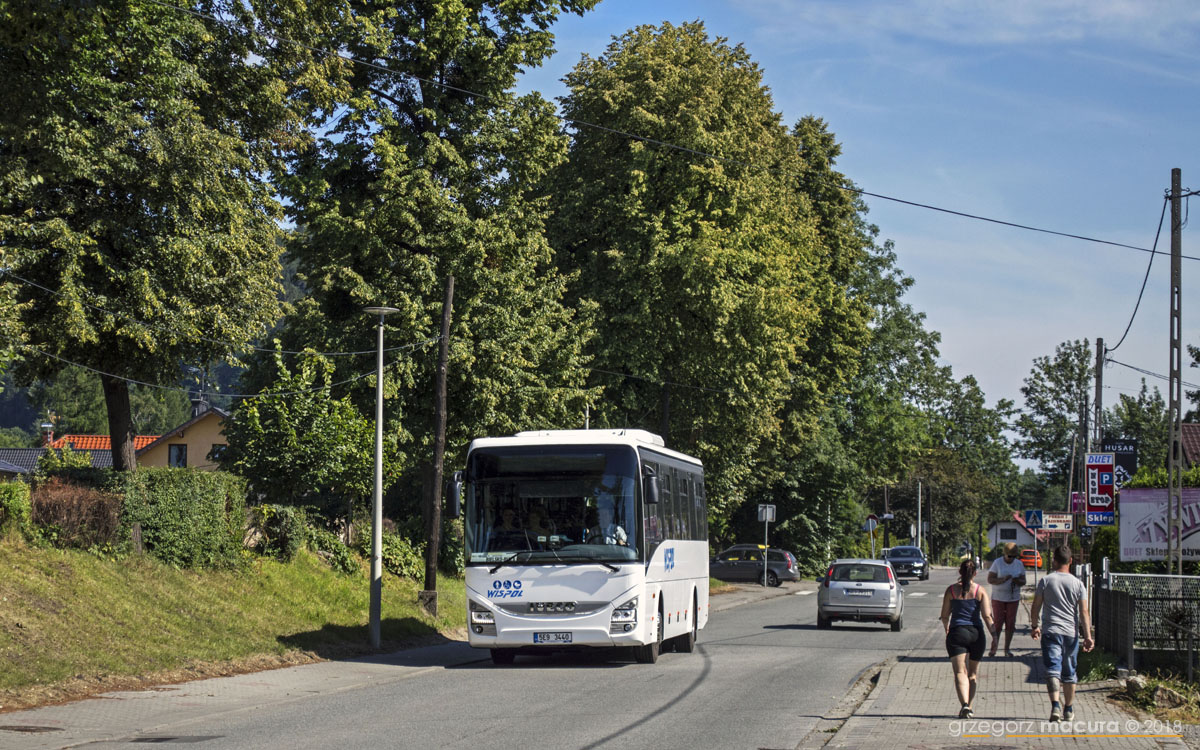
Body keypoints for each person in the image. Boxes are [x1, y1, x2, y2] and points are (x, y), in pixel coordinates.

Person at [1030, 544, 1094, 723]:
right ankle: (1069, 709)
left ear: (1054, 561)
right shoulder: (1078, 584)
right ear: (1071, 561)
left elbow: (1036, 606)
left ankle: (1055, 706)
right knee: (1069, 672)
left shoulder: (1046, 580)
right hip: (1070, 634)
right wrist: (1087, 636)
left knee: (1052, 670)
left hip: (1051, 631)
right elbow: (1083, 612)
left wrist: (1035, 626)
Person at [939, 559, 997, 719]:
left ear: (960, 572)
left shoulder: (951, 590)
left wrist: (947, 628)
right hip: (976, 634)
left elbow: (945, 615)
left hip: (957, 633)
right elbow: (987, 616)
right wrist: (995, 636)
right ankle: (969, 706)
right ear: (975, 573)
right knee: (972, 674)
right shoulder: (980, 591)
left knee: (959, 672)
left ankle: (964, 704)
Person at [987, 542, 1027, 657]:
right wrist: (1002, 580)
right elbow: (990, 579)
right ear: (1004, 554)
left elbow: (1023, 581)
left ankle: (1007, 649)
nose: (1011, 559)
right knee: (998, 623)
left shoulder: (1019, 564)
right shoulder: (997, 563)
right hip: (998, 597)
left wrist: (1016, 581)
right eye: (1009, 556)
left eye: (1014, 556)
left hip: (1013, 598)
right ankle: (994, 648)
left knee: (1010, 624)